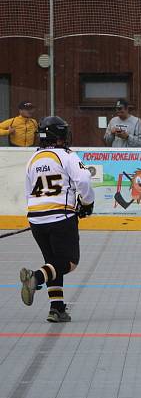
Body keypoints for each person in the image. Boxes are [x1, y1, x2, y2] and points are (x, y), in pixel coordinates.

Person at [19, 116, 95, 322]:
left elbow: (28, 192)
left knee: (52, 263)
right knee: (68, 262)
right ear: (59, 135)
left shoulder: (33, 160)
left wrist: (35, 216)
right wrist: (87, 204)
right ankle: (36, 277)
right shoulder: (67, 156)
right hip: (60, 217)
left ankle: (57, 308)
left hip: (36, 219)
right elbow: (84, 179)